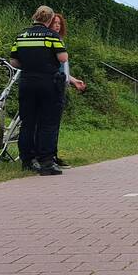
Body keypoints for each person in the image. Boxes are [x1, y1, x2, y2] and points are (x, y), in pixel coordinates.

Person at [9, 5, 69, 176]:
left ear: (34, 16)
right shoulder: (52, 36)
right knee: (47, 122)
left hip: (27, 81)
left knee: (28, 123)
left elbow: (14, 61)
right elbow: (62, 58)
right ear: (49, 20)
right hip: (48, 82)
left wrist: (29, 64)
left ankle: (27, 161)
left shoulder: (21, 35)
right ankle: (47, 162)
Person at [47, 13, 87, 167]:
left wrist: (73, 80)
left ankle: (52, 154)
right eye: (54, 23)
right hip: (52, 85)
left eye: (59, 23)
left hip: (60, 83)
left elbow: (63, 68)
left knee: (54, 124)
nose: (57, 26)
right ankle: (49, 157)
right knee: (50, 124)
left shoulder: (59, 41)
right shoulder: (51, 41)